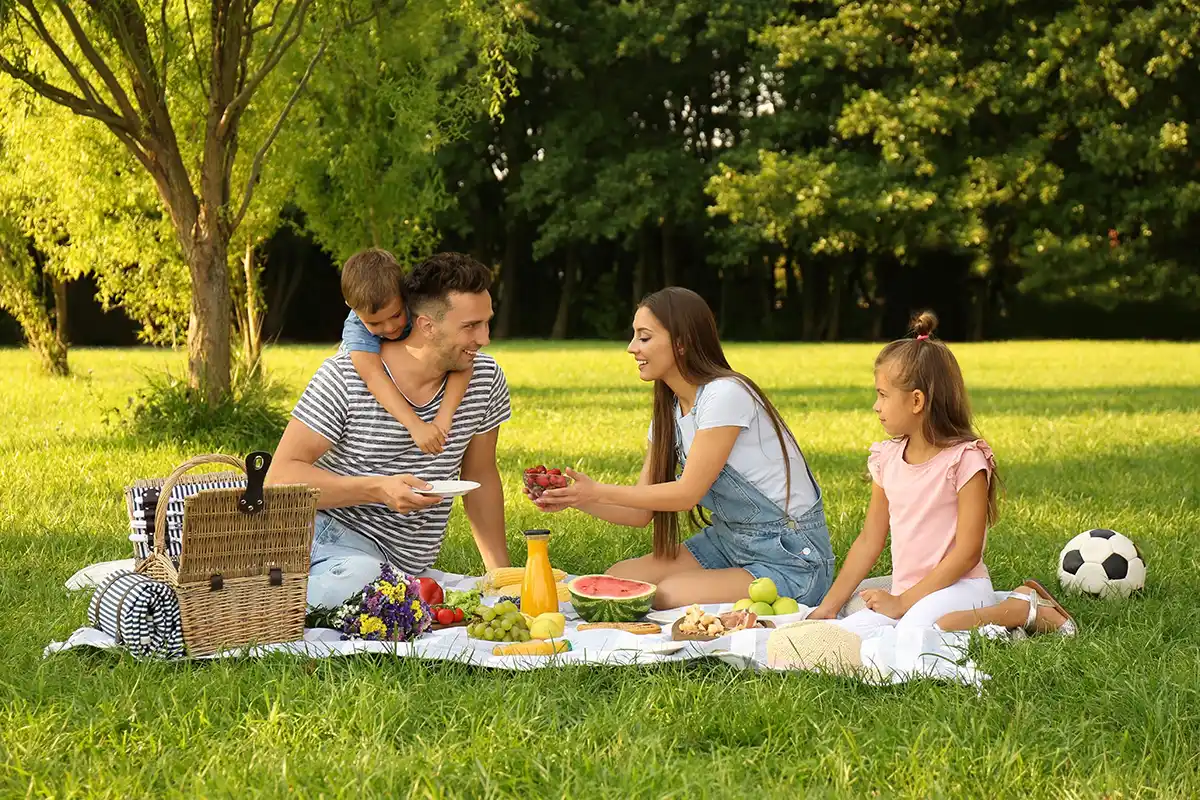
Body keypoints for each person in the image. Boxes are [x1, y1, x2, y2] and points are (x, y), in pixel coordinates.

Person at [530, 287, 835, 610]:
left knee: (669, 594)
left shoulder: (726, 395)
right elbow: (639, 512)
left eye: (644, 338)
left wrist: (599, 491)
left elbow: (686, 493)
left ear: (681, 342)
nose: (631, 348)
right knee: (620, 576)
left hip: (789, 557)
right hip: (728, 543)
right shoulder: (670, 412)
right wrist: (575, 497)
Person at [267, 252, 512, 609]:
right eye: (471, 326)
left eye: (486, 323)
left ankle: (387, 587)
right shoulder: (344, 377)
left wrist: (502, 579)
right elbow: (279, 480)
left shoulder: (485, 378)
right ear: (427, 325)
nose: (485, 338)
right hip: (329, 539)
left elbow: (481, 476)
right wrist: (378, 489)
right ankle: (235, 605)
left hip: (403, 566)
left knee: (387, 589)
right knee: (365, 582)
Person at [808, 312, 1076, 638]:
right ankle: (1003, 610)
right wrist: (829, 607)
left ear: (917, 401)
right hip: (911, 592)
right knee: (847, 634)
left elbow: (967, 553)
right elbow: (868, 541)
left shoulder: (965, 461)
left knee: (926, 631)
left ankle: (1018, 610)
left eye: (882, 394)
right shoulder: (887, 459)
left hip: (961, 586)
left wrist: (903, 602)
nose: (875, 406)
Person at [339, 248, 472, 455]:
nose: (389, 328)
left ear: (405, 294)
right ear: (351, 308)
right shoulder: (356, 328)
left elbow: (462, 361)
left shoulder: (419, 306)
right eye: (374, 323)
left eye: (396, 315)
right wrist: (415, 425)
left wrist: (444, 418)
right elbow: (373, 376)